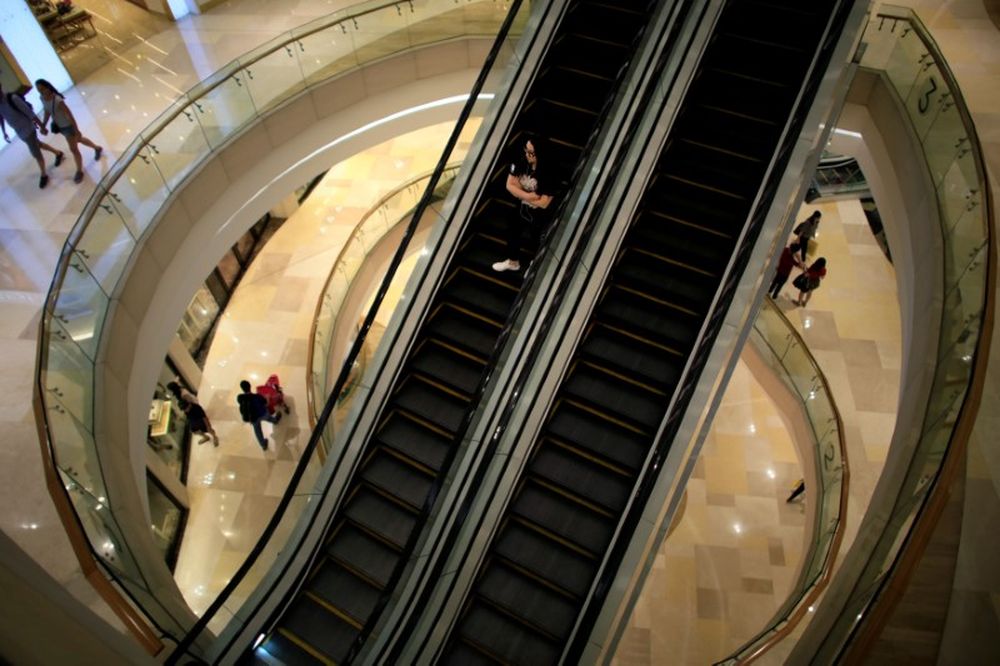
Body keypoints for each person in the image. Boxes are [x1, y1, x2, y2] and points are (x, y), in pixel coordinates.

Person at [492, 134, 555, 273]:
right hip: (523, 208)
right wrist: (528, 196)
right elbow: (509, 185)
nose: (527, 154)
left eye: (531, 152)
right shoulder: (521, 160)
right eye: (526, 150)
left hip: (542, 215)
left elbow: (544, 203)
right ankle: (513, 262)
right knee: (512, 228)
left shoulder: (550, 171)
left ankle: (535, 265)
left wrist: (519, 193)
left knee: (537, 237)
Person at [36, 78, 103, 185]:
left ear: (48, 87)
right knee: (79, 140)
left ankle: (79, 171)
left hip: (68, 126)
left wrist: (76, 130)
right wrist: (43, 125)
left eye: (42, 89)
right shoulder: (42, 98)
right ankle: (97, 148)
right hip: (60, 127)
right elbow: (47, 112)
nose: (41, 92)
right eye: (39, 90)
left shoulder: (57, 99)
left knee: (73, 149)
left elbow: (69, 115)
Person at [0, 80, 64, 189]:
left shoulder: (13, 99)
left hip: (28, 129)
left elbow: (30, 113)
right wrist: (4, 132)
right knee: (37, 144)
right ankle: (58, 153)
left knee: (35, 152)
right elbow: (1, 117)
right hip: (19, 132)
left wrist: (42, 126)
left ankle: (44, 175)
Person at [237, 379, 280, 451]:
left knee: (257, 430)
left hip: (252, 418)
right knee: (269, 418)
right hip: (262, 414)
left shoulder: (240, 397)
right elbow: (266, 403)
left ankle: (263, 444)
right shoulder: (257, 396)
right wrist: (268, 397)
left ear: (242, 389)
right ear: (250, 386)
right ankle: (275, 420)